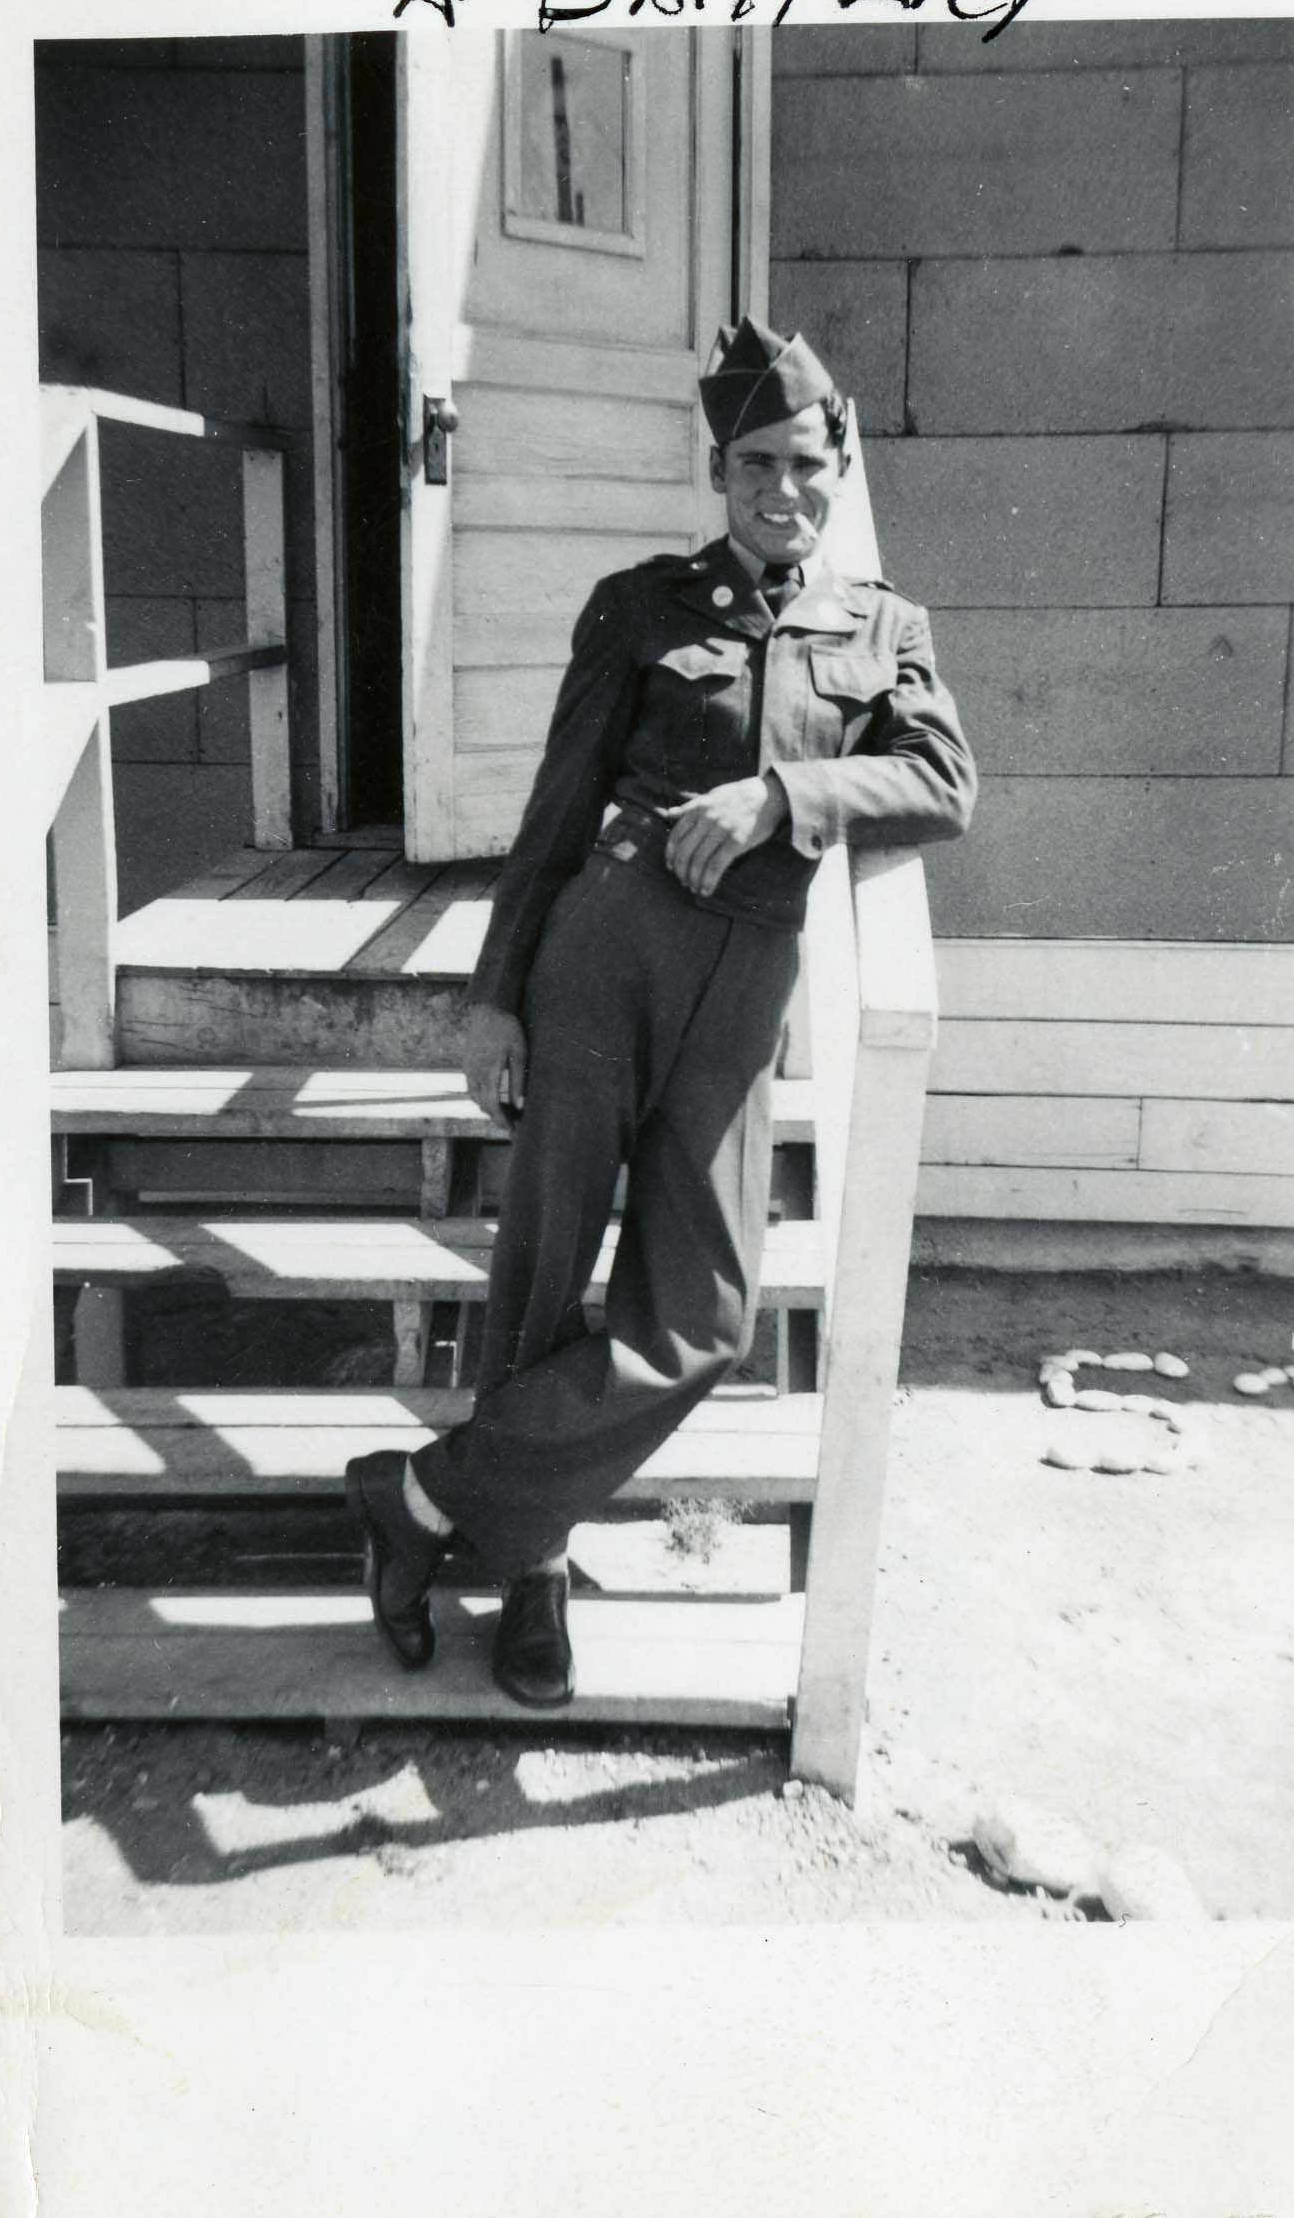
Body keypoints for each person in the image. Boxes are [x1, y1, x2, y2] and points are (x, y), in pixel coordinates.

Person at [344, 315, 977, 1707]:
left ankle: (424, 1498)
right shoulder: (639, 607)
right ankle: (533, 1569)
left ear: (839, 464)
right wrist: (494, 998)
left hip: (745, 977)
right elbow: (555, 811)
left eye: (804, 465)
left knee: (705, 1315)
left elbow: (944, 784)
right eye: (754, 466)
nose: (782, 492)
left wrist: (785, 796)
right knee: (544, 1267)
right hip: (605, 953)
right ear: (717, 473)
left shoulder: (885, 628)